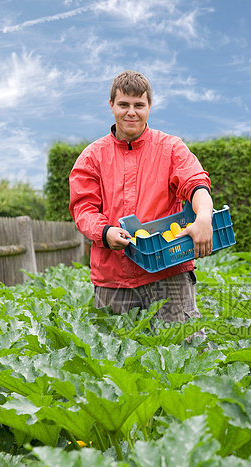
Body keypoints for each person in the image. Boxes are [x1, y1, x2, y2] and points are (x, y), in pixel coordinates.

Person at [69, 70, 213, 326]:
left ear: (149, 107)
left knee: (184, 352)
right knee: (113, 359)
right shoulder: (92, 156)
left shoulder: (171, 148)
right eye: (124, 104)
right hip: (114, 279)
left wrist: (203, 217)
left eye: (139, 105)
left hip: (169, 275)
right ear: (111, 105)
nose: (131, 112)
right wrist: (105, 233)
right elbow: (83, 208)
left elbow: (196, 184)